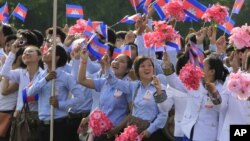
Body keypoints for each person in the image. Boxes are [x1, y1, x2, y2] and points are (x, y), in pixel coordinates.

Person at [159, 53, 229, 141]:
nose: (199, 67)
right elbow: (174, 83)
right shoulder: (195, 81)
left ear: (212, 71)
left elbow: (221, 108)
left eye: (203, 66)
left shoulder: (222, 88)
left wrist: (214, 93)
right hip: (188, 130)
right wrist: (167, 65)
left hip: (207, 135)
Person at [104, 55, 168, 141]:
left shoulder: (160, 87)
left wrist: (149, 130)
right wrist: (107, 66)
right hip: (133, 132)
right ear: (137, 71)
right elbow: (113, 82)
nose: (147, 68)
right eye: (142, 66)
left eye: (149, 65)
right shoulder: (135, 86)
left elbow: (163, 114)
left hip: (151, 134)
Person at [26, 45, 82, 141]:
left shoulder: (65, 77)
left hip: (59, 124)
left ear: (57, 57)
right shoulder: (41, 76)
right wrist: (46, 79)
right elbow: (30, 93)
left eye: (50, 51)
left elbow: (80, 98)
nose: (45, 53)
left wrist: (60, 104)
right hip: (43, 125)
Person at [78, 48, 133, 141]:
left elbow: (133, 112)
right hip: (99, 131)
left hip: (115, 133)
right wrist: (84, 60)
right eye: (115, 60)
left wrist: (118, 128)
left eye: (122, 61)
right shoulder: (105, 82)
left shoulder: (128, 86)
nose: (116, 62)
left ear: (128, 69)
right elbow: (82, 80)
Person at [1, 44, 44, 141]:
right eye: (24, 52)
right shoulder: (20, 73)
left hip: (38, 116)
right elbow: (4, 73)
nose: (26, 54)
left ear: (39, 57)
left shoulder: (44, 75)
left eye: (30, 51)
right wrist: (12, 53)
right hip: (21, 116)